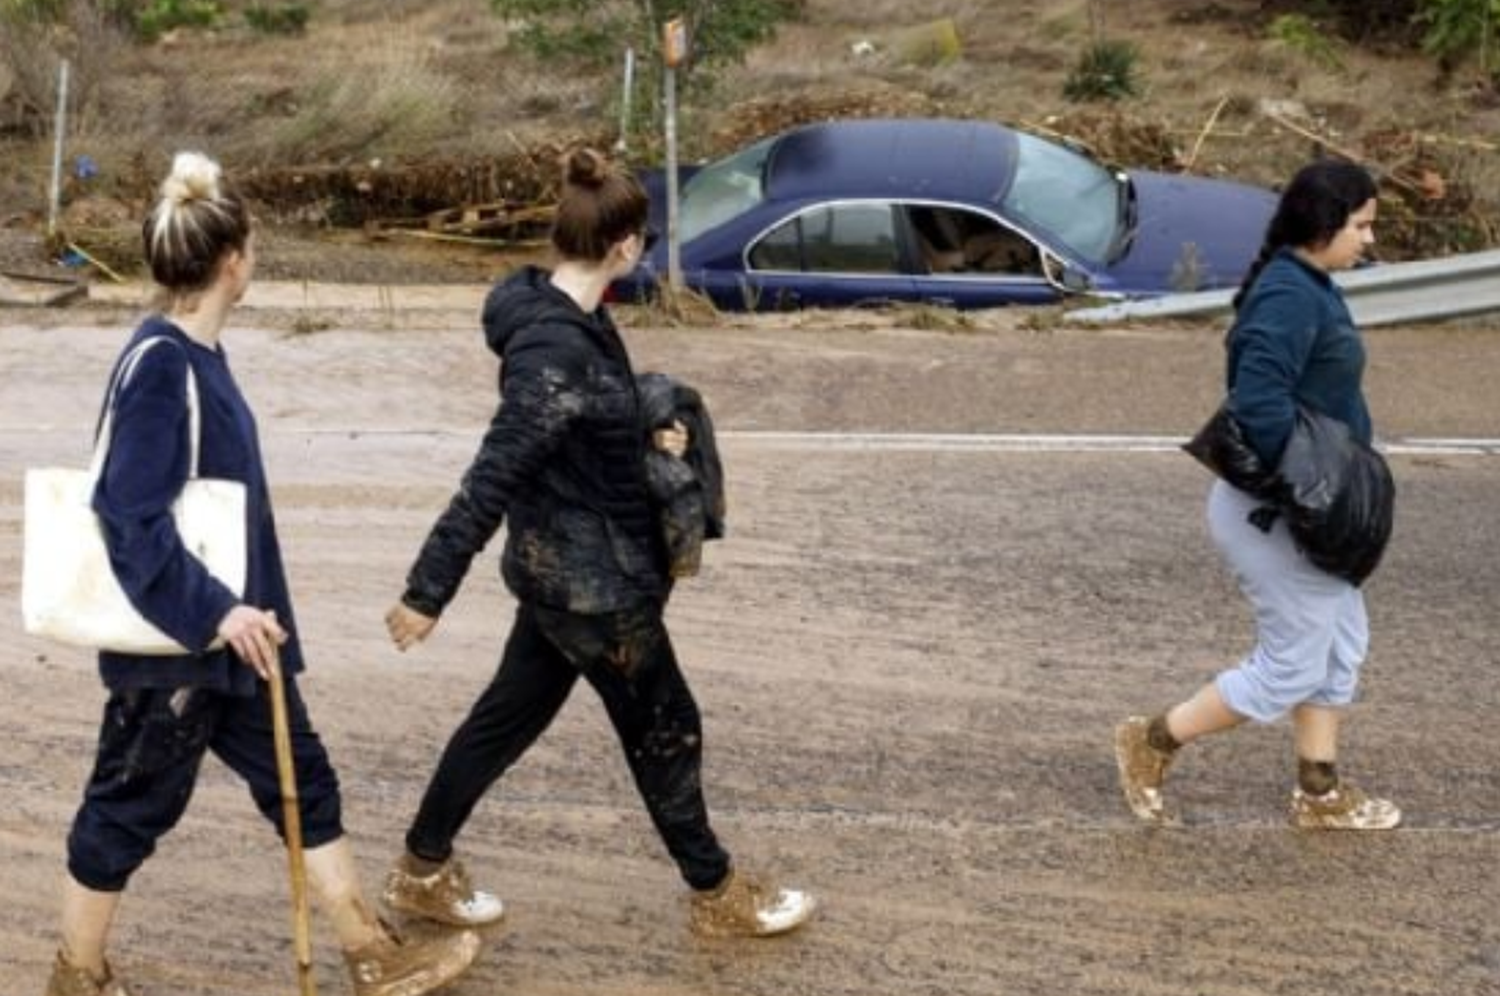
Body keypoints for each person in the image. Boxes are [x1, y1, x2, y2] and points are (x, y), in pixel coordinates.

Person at [46, 152, 480, 996]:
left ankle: (370, 954)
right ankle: (78, 975)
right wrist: (219, 614)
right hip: (179, 648)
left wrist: (249, 619)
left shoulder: (201, 357)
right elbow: (128, 517)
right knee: (127, 810)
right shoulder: (163, 366)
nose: (256, 257)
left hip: (242, 643)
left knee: (304, 785)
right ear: (231, 260)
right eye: (251, 245)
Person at [380, 148, 816, 938]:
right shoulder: (554, 355)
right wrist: (425, 592)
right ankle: (717, 893)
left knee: (504, 720)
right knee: (666, 726)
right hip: (593, 590)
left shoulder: (571, 314)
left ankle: (421, 871)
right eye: (642, 241)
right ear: (623, 245)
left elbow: (580, 436)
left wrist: (654, 439)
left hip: (564, 572)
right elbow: (492, 476)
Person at [1114, 159, 1402, 831]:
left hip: (1301, 509)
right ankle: (1152, 741)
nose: (1368, 240)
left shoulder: (1311, 282)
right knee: (1291, 667)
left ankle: (1319, 791)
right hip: (1280, 512)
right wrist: (1311, 499)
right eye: (1361, 226)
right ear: (1324, 224)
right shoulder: (1288, 296)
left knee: (1338, 647)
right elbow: (1259, 406)